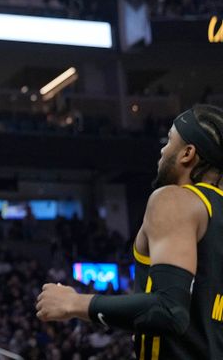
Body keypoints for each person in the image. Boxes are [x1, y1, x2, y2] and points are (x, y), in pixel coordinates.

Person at [36, 104, 223, 359]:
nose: (162, 149)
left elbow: (169, 311)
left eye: (169, 141)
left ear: (187, 153)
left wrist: (74, 303)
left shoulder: (174, 199)